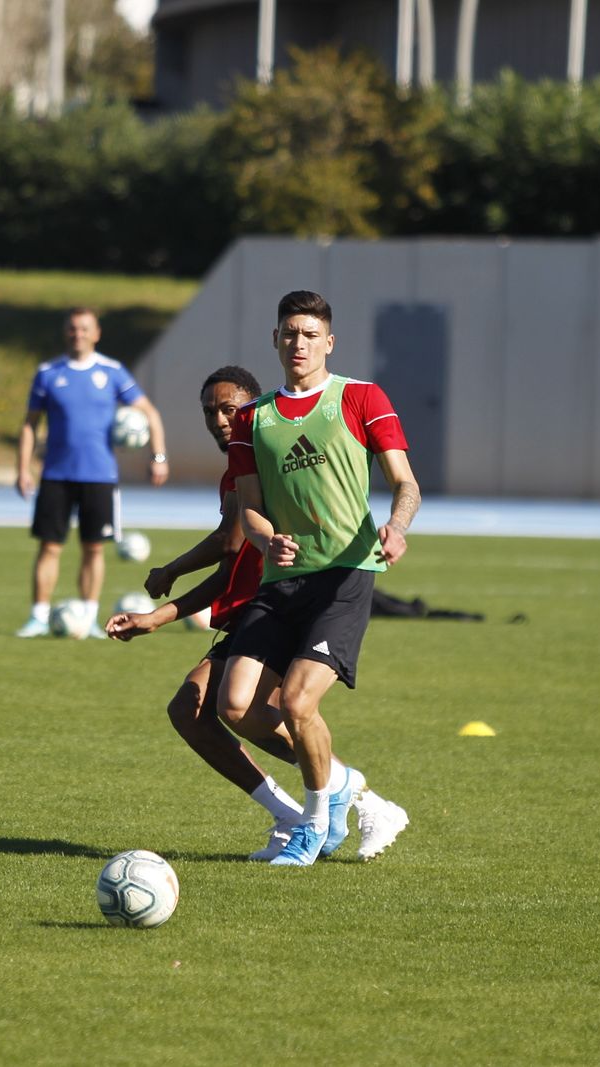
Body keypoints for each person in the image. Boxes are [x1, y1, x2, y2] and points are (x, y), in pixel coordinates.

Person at [106, 365, 410, 861]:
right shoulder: (241, 467)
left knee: (265, 708)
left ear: (252, 407)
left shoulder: (263, 449)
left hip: (282, 598)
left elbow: (229, 548)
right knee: (200, 710)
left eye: (230, 409)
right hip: (260, 602)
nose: (221, 420)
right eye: (211, 412)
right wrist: (163, 600)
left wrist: (164, 596)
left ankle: (348, 800)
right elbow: (234, 551)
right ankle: (302, 812)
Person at [217, 290, 422, 867]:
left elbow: (406, 483)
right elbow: (249, 508)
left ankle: (310, 828)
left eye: (310, 334)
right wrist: (263, 539)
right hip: (281, 581)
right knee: (236, 707)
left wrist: (397, 526)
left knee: (296, 703)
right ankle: (345, 785)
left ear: (328, 343)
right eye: (289, 332)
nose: (299, 343)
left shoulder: (360, 397)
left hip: (345, 575)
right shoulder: (253, 417)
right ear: (275, 340)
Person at [14, 307, 168, 639]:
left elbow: (150, 414)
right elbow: (30, 425)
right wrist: (22, 467)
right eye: (72, 328)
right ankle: (39, 616)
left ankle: (88, 616)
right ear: (65, 332)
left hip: (99, 476)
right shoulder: (48, 372)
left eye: (85, 329)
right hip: (56, 474)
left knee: (94, 548)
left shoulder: (113, 373)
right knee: (49, 546)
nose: (78, 334)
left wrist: (158, 456)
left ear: (96, 333)